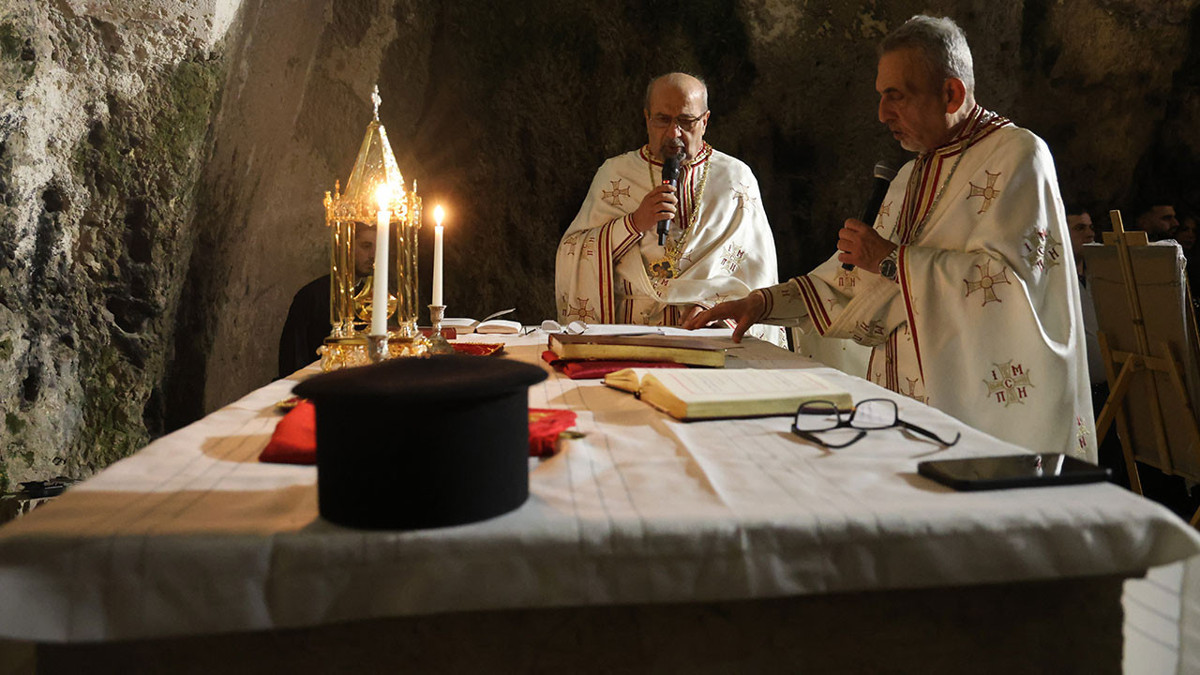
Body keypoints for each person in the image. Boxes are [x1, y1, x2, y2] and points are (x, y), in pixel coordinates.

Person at [686, 15, 1096, 461]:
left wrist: (889, 260)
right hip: (901, 408)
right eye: (881, 97)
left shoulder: (1019, 155)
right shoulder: (911, 173)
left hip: (973, 418)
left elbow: (1011, 291)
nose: (882, 115)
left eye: (896, 97)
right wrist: (762, 303)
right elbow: (851, 283)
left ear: (951, 93)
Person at [554, 72, 785, 346]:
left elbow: (758, 270)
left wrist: (716, 308)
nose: (674, 133)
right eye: (663, 119)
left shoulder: (735, 178)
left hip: (708, 331)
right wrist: (634, 224)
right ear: (647, 118)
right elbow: (573, 251)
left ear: (705, 121)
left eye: (686, 121)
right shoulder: (615, 173)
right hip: (627, 332)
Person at [278, 225, 378, 377]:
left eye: (378, 247)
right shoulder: (311, 295)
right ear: (347, 246)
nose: (373, 255)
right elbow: (293, 357)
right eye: (366, 246)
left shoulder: (373, 297)